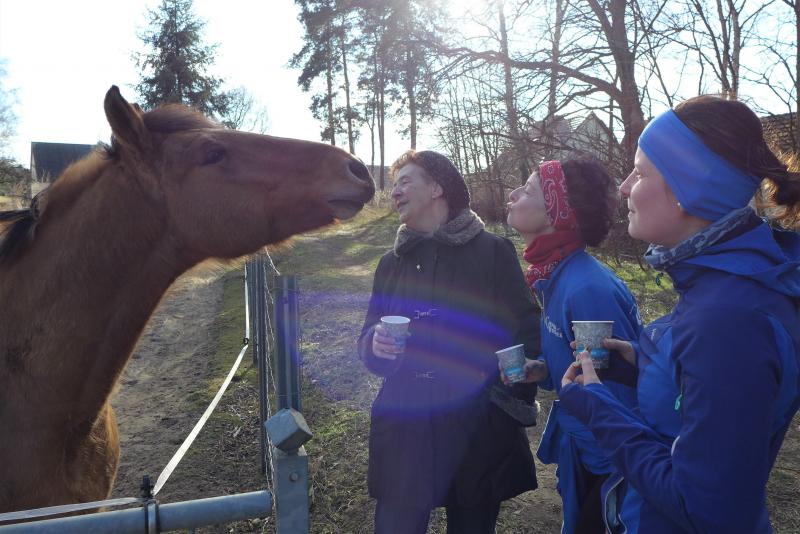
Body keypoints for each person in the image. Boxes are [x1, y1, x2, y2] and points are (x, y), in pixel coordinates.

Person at [559, 96, 800, 533]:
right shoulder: (733, 283)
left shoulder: (727, 319)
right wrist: (648, 365)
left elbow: (705, 510)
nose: (625, 187)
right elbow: (720, 396)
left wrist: (600, 410)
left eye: (640, 172)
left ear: (687, 189)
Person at [358, 149, 541, 534]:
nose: (395, 191)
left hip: (475, 428)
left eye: (405, 181)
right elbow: (369, 335)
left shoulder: (492, 252)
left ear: (437, 188)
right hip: (406, 424)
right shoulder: (391, 263)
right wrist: (374, 345)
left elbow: (526, 330)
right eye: (394, 185)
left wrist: (507, 403)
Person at [504, 159, 643, 533]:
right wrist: (543, 369)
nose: (512, 195)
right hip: (584, 446)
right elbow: (585, 365)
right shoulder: (556, 275)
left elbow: (616, 386)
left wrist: (605, 474)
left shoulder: (586, 289)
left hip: (608, 460)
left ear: (558, 213)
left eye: (528, 190)